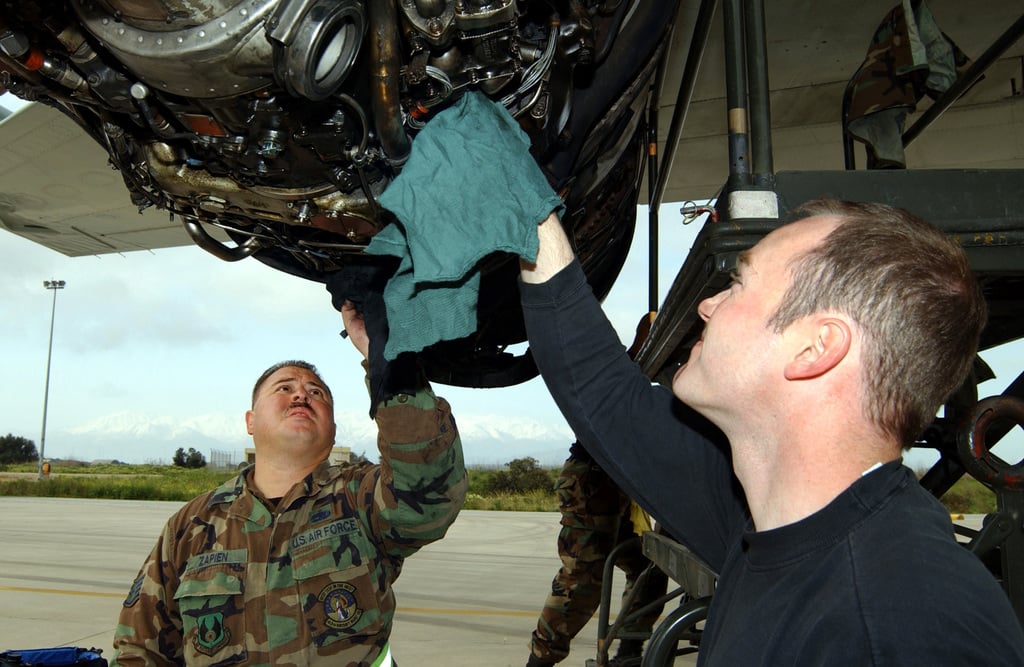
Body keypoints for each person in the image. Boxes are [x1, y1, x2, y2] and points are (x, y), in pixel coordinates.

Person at [518, 198, 1024, 663]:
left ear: (814, 348)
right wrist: (532, 210)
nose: (707, 306)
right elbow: (606, 396)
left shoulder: (905, 631)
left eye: (738, 284)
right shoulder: (770, 519)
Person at [111, 300, 467, 666]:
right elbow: (140, 648)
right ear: (250, 421)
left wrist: (385, 355)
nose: (301, 395)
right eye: (284, 388)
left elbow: (429, 495)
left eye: (317, 393)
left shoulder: (360, 498)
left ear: (332, 425)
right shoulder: (191, 527)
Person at [526, 440, 668, 667]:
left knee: (649, 566)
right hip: (593, 480)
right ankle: (539, 663)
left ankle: (629, 652)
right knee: (583, 580)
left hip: (615, 480)